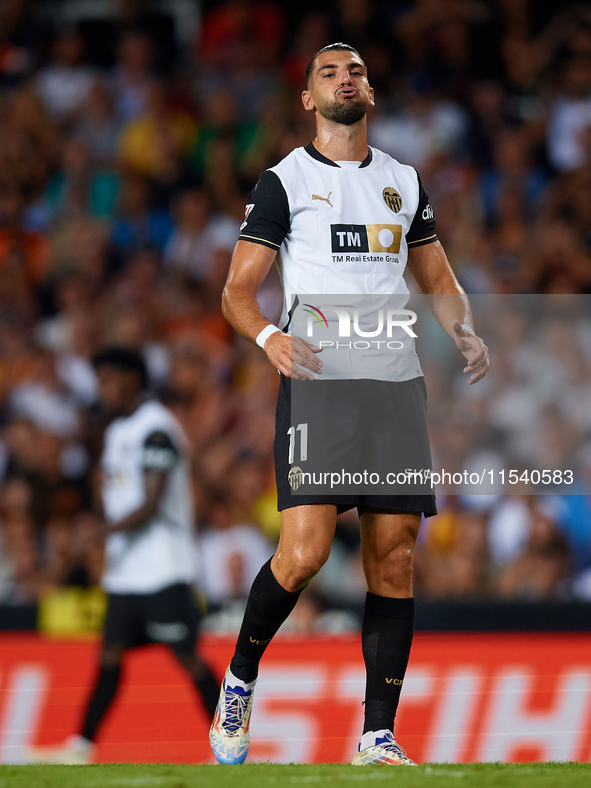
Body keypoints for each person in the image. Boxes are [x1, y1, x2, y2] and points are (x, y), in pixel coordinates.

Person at [209, 43, 489, 767]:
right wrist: (269, 336)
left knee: (393, 559)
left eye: (356, 70)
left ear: (371, 90)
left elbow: (437, 275)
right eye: (329, 72)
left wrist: (461, 328)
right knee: (301, 555)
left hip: (393, 384)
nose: (345, 79)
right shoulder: (285, 180)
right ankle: (239, 678)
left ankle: (376, 735)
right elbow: (236, 291)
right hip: (319, 382)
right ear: (307, 98)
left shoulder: (402, 180)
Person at [29, 347, 219, 764]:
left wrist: (97, 533)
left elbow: (149, 504)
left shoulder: (157, 428)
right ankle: (80, 746)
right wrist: (100, 525)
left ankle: (229, 743)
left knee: (187, 658)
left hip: (165, 568)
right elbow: (116, 497)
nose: (103, 389)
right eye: (100, 380)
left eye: (111, 379)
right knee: (109, 655)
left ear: (134, 379)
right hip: (126, 572)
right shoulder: (117, 432)